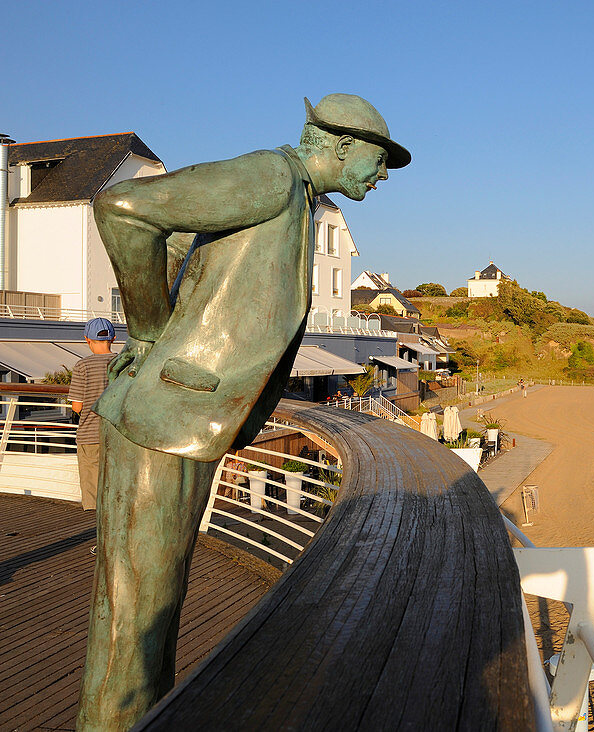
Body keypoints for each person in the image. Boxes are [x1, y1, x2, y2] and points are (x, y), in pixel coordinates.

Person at [77, 94, 409, 730]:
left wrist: (174, 316)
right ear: (339, 143)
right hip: (161, 420)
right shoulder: (270, 177)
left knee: (148, 614)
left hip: (178, 421)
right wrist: (150, 331)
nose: (383, 172)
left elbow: (173, 242)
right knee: (135, 626)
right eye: (380, 156)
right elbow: (122, 207)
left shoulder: (293, 198)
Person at [68, 318, 116, 524]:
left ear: (87, 339)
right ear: (113, 338)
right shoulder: (123, 362)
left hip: (90, 436)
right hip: (118, 436)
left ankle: (103, 541)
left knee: (95, 494)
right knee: (116, 489)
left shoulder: (82, 366)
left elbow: (77, 406)